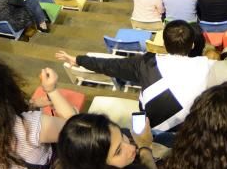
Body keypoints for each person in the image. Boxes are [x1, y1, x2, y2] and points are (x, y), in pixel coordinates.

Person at [56, 21, 211, 132]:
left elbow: (109, 65)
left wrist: (78, 60)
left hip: (146, 129)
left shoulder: (146, 62)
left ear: (164, 44)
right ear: (192, 45)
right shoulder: (209, 67)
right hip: (185, 133)